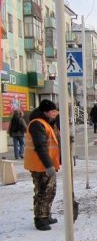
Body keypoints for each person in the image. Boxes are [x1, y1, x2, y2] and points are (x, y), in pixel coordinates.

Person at [23, 99, 60, 231]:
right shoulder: (37, 124)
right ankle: (40, 219)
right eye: (53, 111)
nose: (55, 113)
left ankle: (46, 214)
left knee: (50, 191)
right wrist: (48, 165)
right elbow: (40, 146)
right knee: (43, 191)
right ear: (45, 112)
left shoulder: (46, 123)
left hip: (46, 164)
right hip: (40, 165)